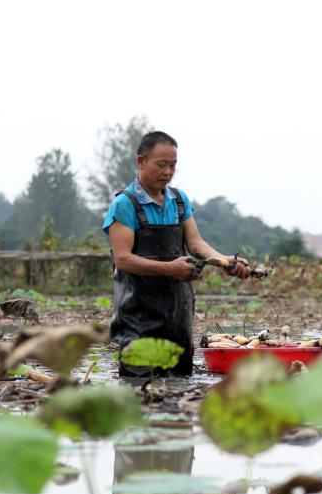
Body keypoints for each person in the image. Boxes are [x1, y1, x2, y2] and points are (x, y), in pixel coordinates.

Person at [103, 130, 250, 376]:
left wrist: (224, 261)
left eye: (173, 166)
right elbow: (123, 259)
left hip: (177, 317)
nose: (167, 172)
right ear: (141, 161)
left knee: (180, 389)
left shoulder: (179, 201)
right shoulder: (125, 204)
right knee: (140, 389)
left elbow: (196, 244)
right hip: (138, 317)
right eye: (162, 165)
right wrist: (171, 269)